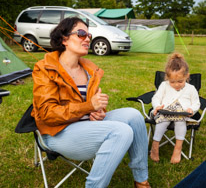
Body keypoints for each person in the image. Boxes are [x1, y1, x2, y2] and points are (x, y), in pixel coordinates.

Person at [31, 17, 150, 188]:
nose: (87, 38)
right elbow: (47, 114)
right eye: (81, 34)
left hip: (85, 125)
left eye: (89, 35)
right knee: (121, 131)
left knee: (134, 115)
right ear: (64, 39)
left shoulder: (88, 69)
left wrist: (97, 112)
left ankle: (141, 180)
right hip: (57, 133)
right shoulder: (45, 68)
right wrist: (88, 107)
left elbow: (91, 105)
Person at [150, 53, 200, 164]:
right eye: (172, 82)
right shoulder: (164, 85)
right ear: (167, 78)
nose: (176, 85)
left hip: (182, 114)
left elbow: (196, 103)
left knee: (180, 121)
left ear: (187, 76)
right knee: (162, 122)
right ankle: (155, 146)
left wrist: (191, 109)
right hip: (165, 112)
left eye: (180, 81)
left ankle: (178, 149)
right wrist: (157, 106)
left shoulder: (191, 88)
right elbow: (156, 98)